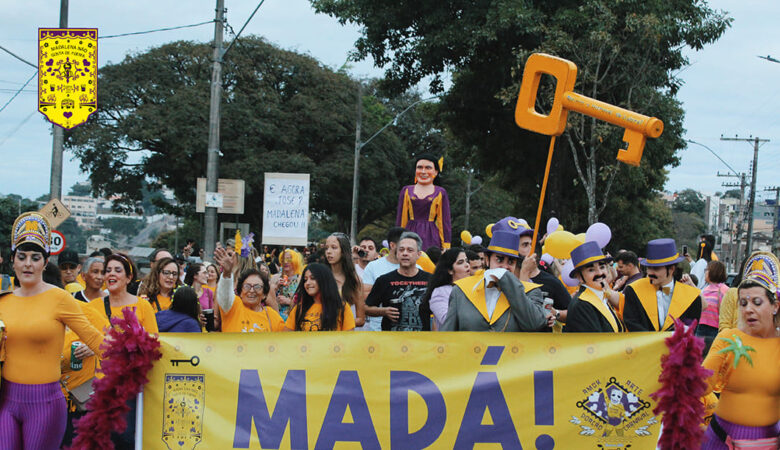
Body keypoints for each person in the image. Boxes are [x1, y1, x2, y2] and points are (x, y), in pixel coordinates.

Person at [0, 212, 105, 449]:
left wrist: (130, 359)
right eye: (22, 257)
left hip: (45, 405)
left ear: (45, 262)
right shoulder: (2, 300)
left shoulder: (59, 298)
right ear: (13, 261)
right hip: (6, 402)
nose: (28, 263)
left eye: (35, 258)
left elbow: (94, 337)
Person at [701, 252, 779, 449]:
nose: (748, 309)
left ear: (775, 306)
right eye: (743, 303)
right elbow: (701, 385)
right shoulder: (728, 338)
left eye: (757, 302)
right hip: (720, 440)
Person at [440, 225, 551, 332]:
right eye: (499, 260)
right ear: (487, 260)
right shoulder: (461, 291)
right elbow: (448, 333)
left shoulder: (531, 292)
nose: (505, 267)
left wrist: (507, 280)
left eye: (511, 262)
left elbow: (534, 324)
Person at [622, 238, 701, 332]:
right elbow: (631, 323)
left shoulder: (691, 297)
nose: (649, 273)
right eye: (648, 268)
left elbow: (691, 328)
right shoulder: (633, 290)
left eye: (656, 269)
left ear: (671, 269)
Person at [366, 232, 431, 331]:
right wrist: (383, 311)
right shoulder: (384, 280)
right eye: (401, 250)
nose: (405, 253)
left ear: (418, 254)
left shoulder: (430, 280)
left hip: (421, 338)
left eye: (410, 250)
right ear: (397, 253)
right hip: (391, 338)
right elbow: (365, 308)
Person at [214, 245, 285, 332]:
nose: (251, 290)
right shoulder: (233, 307)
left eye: (257, 287)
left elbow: (284, 337)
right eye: (247, 286)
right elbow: (225, 295)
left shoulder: (272, 316)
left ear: (264, 294)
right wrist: (227, 274)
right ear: (240, 292)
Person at [563, 242, 624, 333]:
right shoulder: (582, 305)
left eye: (602, 267)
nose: (599, 273)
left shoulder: (601, 296)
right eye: (591, 270)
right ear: (579, 277)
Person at [396, 153, 452, 250]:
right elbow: (401, 219)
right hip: (410, 234)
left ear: (436, 172)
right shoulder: (406, 191)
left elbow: (444, 222)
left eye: (428, 168)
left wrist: (446, 245)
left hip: (431, 236)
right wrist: (397, 241)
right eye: (419, 167)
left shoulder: (440, 192)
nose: (423, 171)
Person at [285, 263, 356, 331]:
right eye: (305, 280)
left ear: (324, 280)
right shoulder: (299, 309)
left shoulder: (342, 307)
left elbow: (348, 337)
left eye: (312, 278)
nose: (307, 283)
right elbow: (287, 336)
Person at [420, 247, 470, 330]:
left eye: (467, 261)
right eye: (460, 262)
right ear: (450, 270)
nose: (467, 265)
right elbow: (448, 321)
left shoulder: (474, 287)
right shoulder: (440, 292)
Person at [325, 233, 366, 327]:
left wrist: (339, 323)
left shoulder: (355, 280)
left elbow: (361, 319)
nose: (329, 252)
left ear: (343, 251)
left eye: (334, 247)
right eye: (326, 248)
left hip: (344, 334)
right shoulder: (319, 276)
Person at [697, 260, 728, 354]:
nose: (705, 272)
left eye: (707, 270)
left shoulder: (724, 290)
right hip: (701, 327)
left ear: (714, 271)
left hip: (715, 330)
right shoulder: (704, 289)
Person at [270, 249, 303, 320]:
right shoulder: (275, 278)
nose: (285, 262)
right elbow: (268, 298)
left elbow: (305, 302)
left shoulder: (300, 279)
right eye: (283, 259)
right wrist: (276, 287)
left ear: (295, 261)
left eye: (289, 259)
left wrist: (289, 302)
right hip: (276, 317)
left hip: (293, 318)